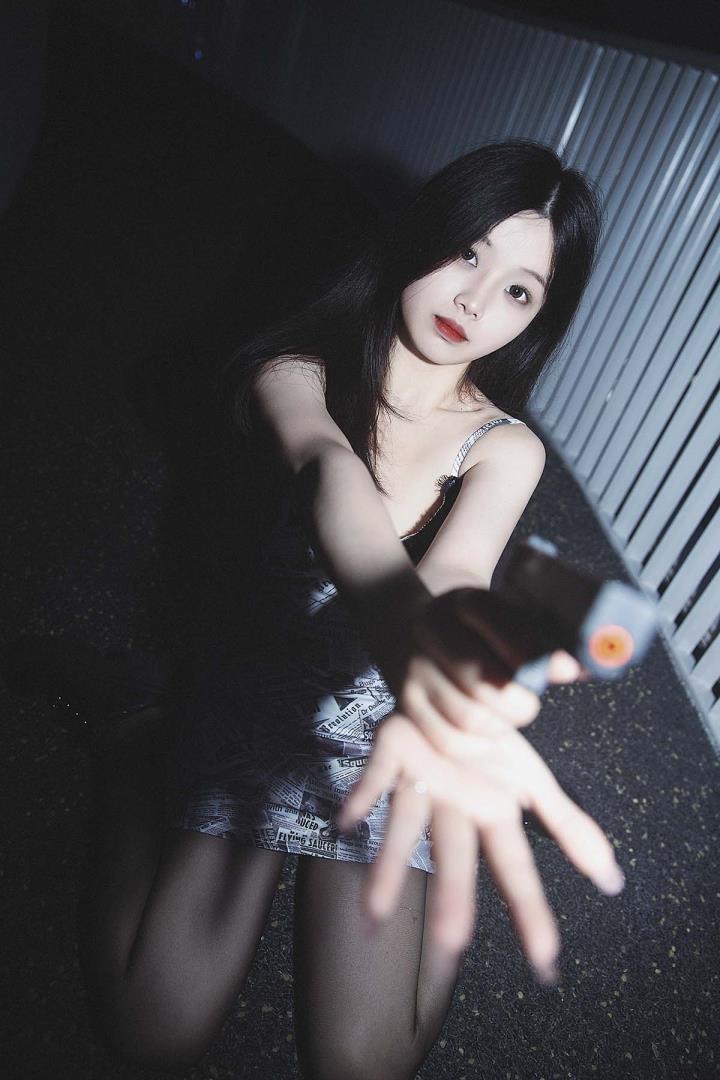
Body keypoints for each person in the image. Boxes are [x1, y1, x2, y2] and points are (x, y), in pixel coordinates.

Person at [17, 139, 625, 1078]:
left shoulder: (507, 447)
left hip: (390, 715)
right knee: (152, 1034)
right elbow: (331, 472)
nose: (474, 300)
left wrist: (442, 688)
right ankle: (135, 740)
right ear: (425, 231)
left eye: (517, 290)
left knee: (364, 1066)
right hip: (265, 689)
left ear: (538, 317)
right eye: (468, 252)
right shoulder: (299, 369)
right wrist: (413, 641)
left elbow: (457, 573)